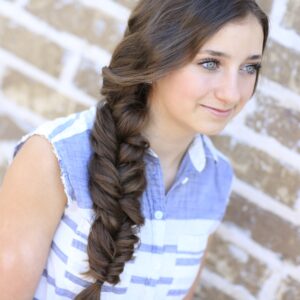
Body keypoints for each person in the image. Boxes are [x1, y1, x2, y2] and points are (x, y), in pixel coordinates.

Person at [0, 0, 269, 299]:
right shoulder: (53, 156)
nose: (232, 93)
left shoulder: (216, 177)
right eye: (210, 63)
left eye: (249, 67)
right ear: (155, 59)